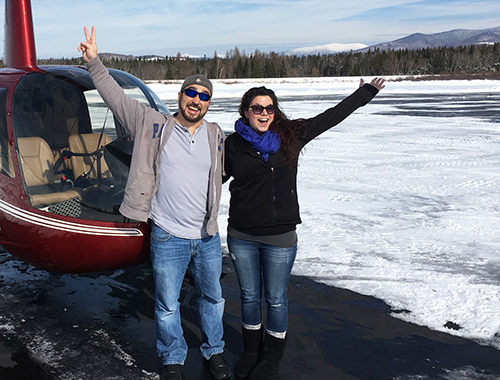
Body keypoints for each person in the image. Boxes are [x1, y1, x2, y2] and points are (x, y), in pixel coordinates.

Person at [78, 26, 230, 380]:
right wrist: (94, 63)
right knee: (166, 305)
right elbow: (115, 97)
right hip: (168, 235)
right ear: (180, 96)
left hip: (207, 235)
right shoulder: (151, 123)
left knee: (213, 300)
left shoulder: (215, 134)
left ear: (208, 102)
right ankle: (173, 357)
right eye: (191, 92)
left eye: (203, 95)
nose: (196, 100)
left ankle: (214, 350)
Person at [223, 78, 386, 379]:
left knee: (275, 298)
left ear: (275, 112)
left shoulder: (291, 135)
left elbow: (331, 116)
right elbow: (206, 179)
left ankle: (270, 357)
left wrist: (365, 93)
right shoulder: (232, 145)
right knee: (248, 296)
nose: (264, 113)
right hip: (242, 235)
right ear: (245, 111)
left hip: (280, 237)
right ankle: (250, 351)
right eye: (257, 108)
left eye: (269, 108)